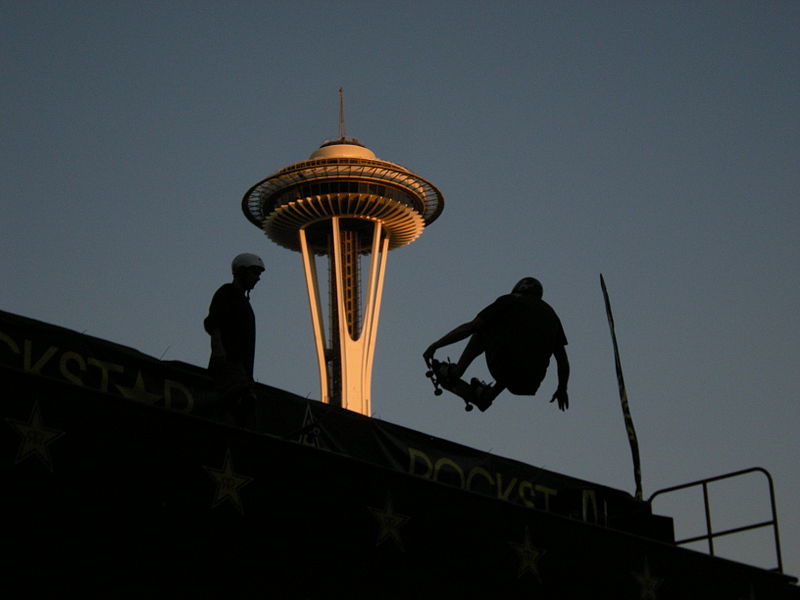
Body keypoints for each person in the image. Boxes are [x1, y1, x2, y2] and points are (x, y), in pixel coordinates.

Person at [423, 277, 569, 412]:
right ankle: (488, 395)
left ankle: (455, 372)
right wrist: (562, 388)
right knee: (520, 349)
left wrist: (436, 345)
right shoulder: (552, 315)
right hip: (531, 382)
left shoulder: (510, 300)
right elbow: (563, 361)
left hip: (506, 367)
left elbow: (470, 327)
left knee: (482, 328)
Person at [203, 253, 266, 424]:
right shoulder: (227, 292)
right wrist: (219, 350)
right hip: (229, 366)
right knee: (233, 405)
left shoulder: (245, 303)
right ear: (241, 272)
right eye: (255, 273)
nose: (258, 279)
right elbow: (212, 323)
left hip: (242, 371)